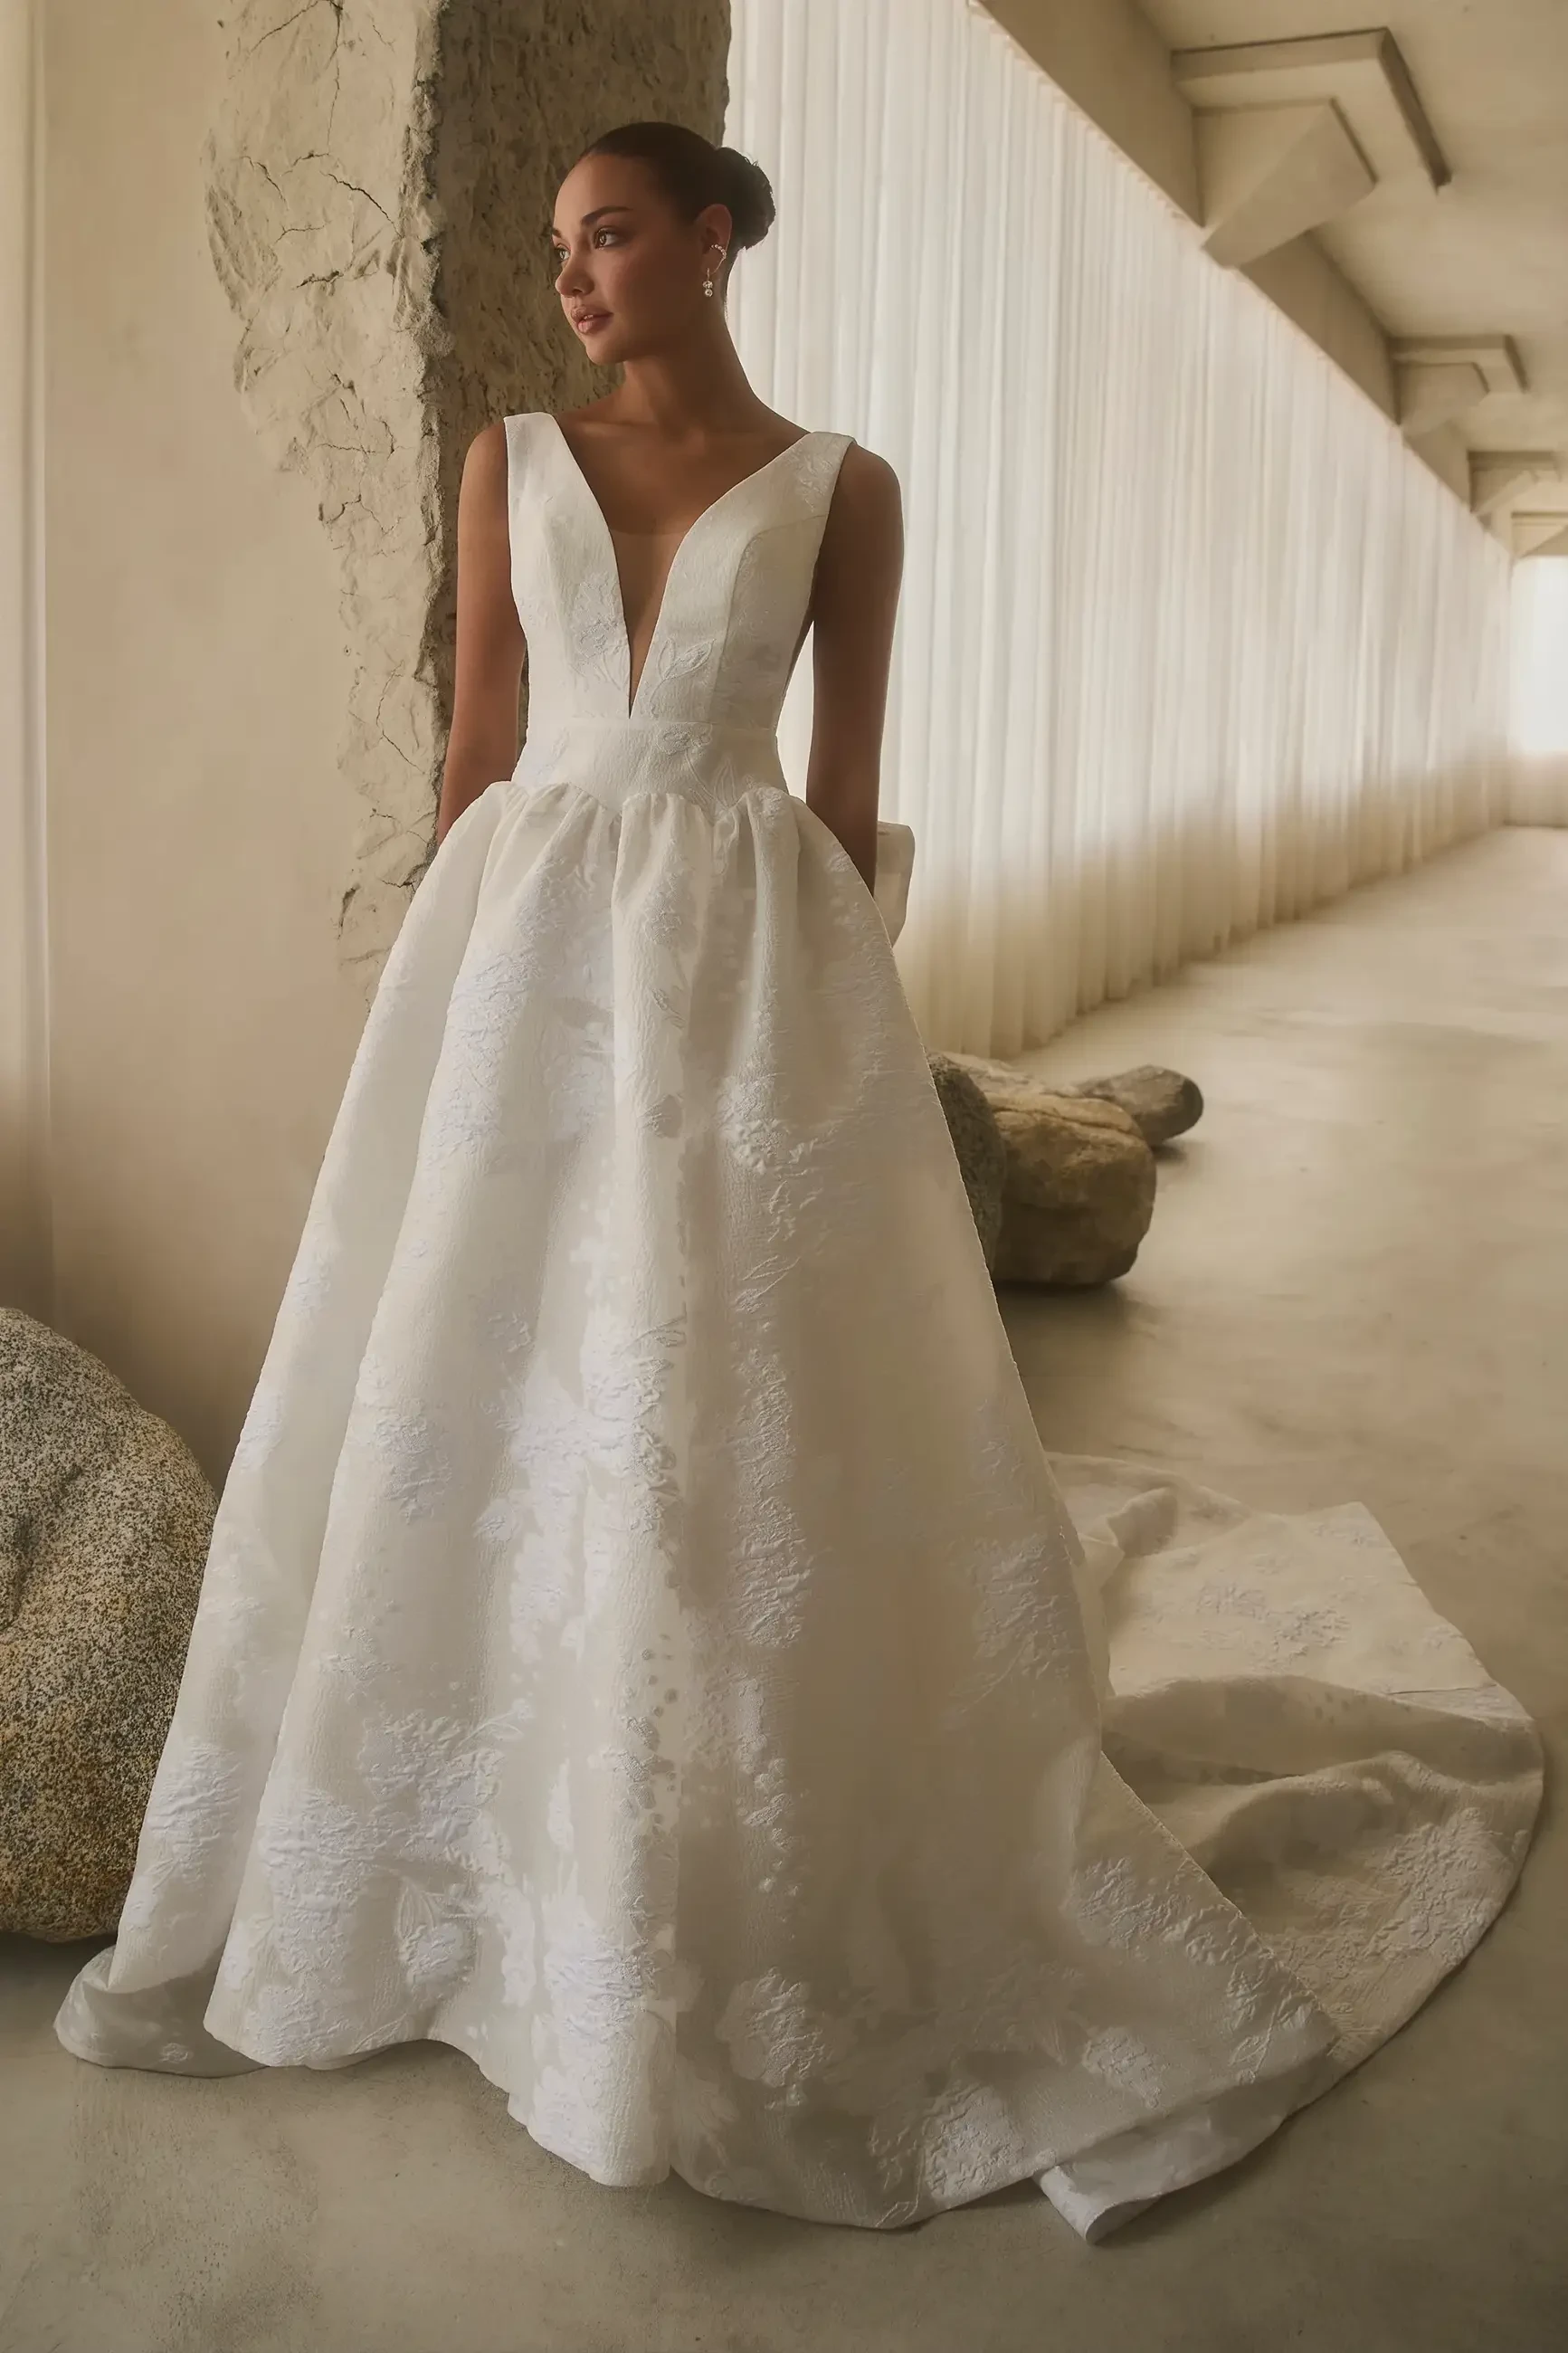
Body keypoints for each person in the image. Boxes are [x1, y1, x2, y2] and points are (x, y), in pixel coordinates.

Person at [56, 120, 1542, 2241]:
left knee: (716, 1397)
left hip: (749, 971)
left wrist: (838, 1087)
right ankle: (495, 1854)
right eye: (557, 242)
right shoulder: (507, 462)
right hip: (534, 963)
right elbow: (478, 755)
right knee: (489, 1397)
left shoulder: (847, 489)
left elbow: (842, 805)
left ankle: (706, 1854)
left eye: (610, 235)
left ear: (715, 238)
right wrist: (437, 1031)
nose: (570, 275)